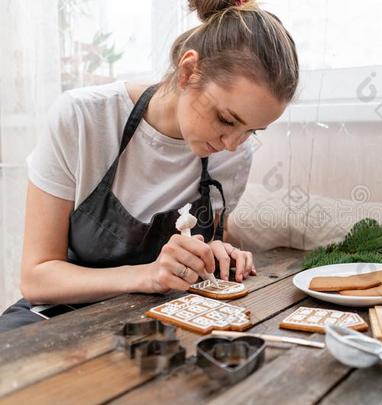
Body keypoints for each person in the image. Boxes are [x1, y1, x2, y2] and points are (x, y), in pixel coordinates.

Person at [0, 0, 299, 333]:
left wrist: (216, 254)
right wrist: (147, 274)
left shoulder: (234, 156)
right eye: (226, 119)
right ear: (188, 72)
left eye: (251, 131)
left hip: (156, 322)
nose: (232, 144)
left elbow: (203, 247)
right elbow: (37, 277)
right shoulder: (84, 119)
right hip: (56, 315)